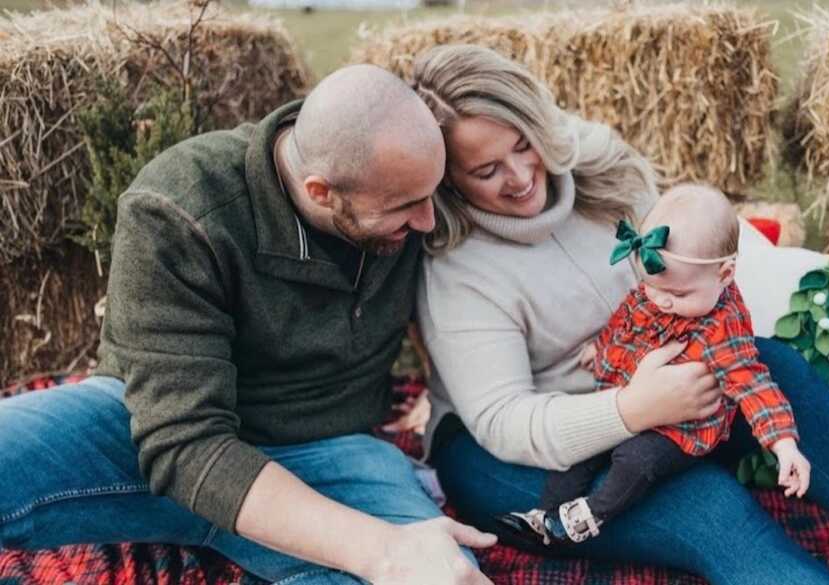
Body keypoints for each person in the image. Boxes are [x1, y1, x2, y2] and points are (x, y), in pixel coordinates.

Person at [411, 44, 829, 584]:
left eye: (524, 144)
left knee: (771, 366)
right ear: (449, 179)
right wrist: (631, 408)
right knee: (710, 508)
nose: (522, 174)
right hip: (515, 455)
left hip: (659, 402)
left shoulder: (603, 172)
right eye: (486, 170)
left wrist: (686, 380)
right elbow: (506, 422)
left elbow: (690, 276)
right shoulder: (459, 269)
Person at [0, 64, 497, 585]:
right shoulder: (181, 205)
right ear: (321, 191)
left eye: (431, 194)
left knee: (446, 576)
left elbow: (535, 141)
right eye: (405, 208)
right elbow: (182, 442)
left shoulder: (408, 174)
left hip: (330, 452)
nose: (428, 223)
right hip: (148, 435)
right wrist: (380, 550)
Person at [498, 184, 810, 546]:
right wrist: (601, 349)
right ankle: (545, 514)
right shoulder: (658, 291)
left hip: (680, 428)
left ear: (724, 274)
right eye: (651, 287)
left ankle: (591, 516)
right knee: (583, 448)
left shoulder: (722, 328)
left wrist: (784, 444)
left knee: (635, 460)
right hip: (629, 401)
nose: (661, 301)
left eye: (678, 295)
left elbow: (754, 385)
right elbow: (624, 323)